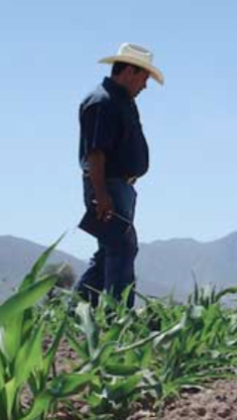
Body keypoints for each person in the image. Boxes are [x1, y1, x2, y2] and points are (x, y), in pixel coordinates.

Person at [76, 43, 164, 308]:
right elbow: (96, 154)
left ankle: (76, 310)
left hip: (119, 187)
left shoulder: (120, 101)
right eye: (143, 78)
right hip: (108, 186)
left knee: (109, 252)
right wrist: (101, 195)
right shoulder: (102, 101)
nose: (145, 86)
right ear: (128, 71)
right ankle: (117, 314)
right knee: (122, 248)